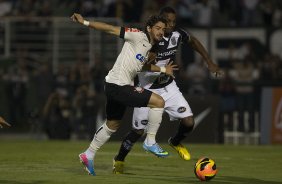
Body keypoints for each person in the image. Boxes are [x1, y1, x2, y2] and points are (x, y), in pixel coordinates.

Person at [112, 6, 223, 174]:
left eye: (173, 22)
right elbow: (139, 66)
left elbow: (193, 41)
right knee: (138, 131)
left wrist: (209, 61)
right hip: (146, 87)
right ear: (160, 21)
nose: (170, 25)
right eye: (167, 22)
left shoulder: (177, 35)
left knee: (189, 122)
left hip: (167, 86)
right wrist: (154, 62)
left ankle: (176, 142)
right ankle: (119, 159)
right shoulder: (149, 39)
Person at [71, 13, 179, 176]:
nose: (161, 32)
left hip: (114, 86)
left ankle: (88, 154)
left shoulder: (149, 48)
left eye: (163, 30)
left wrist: (164, 69)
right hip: (118, 85)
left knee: (112, 125)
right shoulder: (137, 35)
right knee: (158, 102)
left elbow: (141, 67)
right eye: (157, 28)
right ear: (149, 28)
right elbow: (109, 28)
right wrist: (85, 22)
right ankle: (150, 141)